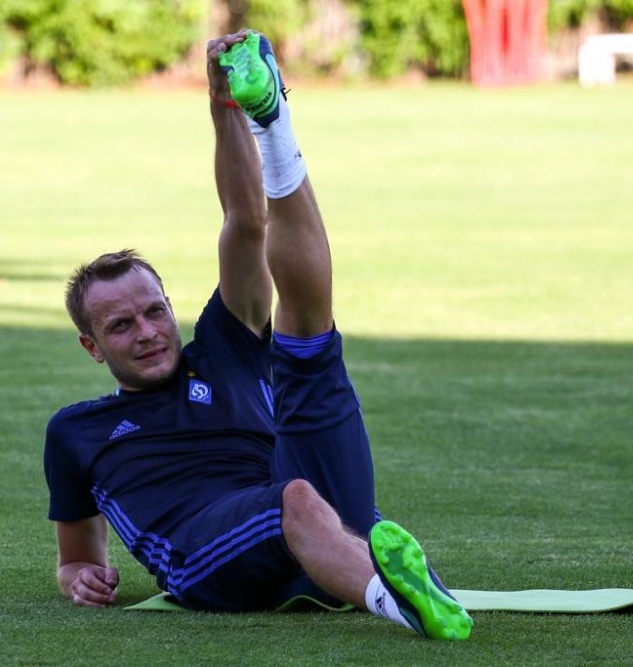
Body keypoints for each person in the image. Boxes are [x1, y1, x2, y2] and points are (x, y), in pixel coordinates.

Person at [43, 29, 473, 641]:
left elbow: (246, 223)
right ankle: (394, 597)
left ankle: (273, 124)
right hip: (204, 556)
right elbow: (77, 559)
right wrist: (80, 579)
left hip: (311, 521)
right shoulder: (76, 431)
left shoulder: (220, 352)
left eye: (155, 312)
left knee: (310, 342)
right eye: (120, 325)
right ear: (91, 346)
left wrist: (225, 104)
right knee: (295, 499)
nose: (147, 332)